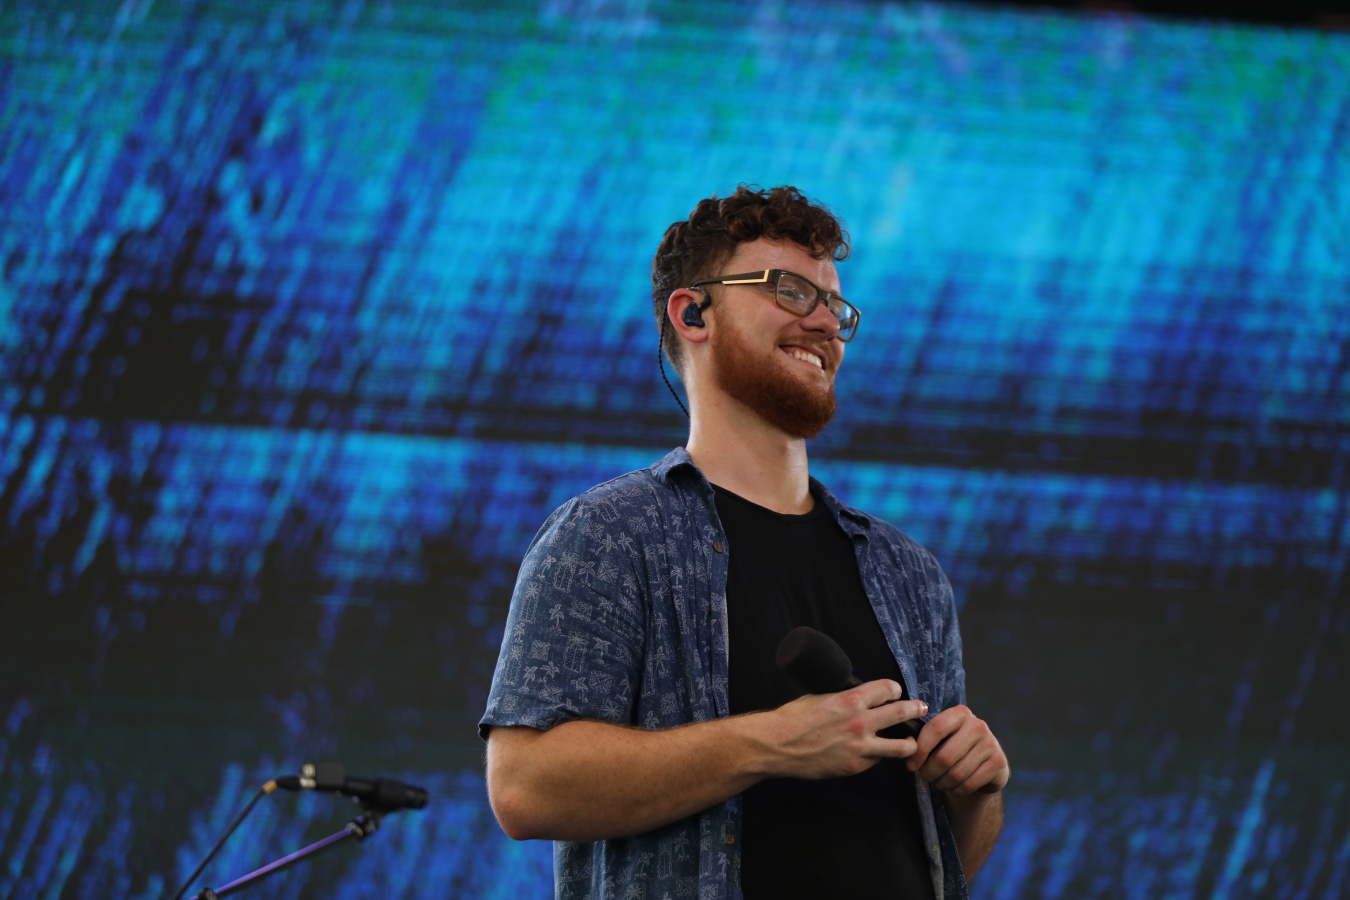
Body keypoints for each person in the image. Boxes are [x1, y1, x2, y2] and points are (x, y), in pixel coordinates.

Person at [480, 185, 1009, 900]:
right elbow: (525, 786)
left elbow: (942, 860)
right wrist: (772, 743)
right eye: (790, 291)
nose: (824, 322)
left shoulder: (908, 572)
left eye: (836, 306)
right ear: (692, 313)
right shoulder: (608, 535)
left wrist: (976, 792)